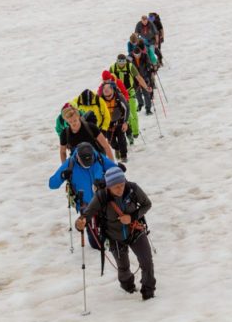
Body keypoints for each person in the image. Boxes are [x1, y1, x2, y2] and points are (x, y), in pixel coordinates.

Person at [75, 165, 155, 299]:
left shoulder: (132, 189)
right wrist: (80, 223)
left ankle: (148, 293)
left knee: (147, 262)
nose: (120, 189)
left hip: (135, 231)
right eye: (116, 187)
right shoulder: (101, 196)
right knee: (123, 268)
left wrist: (132, 217)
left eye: (122, 185)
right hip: (114, 237)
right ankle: (128, 288)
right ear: (108, 186)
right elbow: (86, 216)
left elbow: (147, 204)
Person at [49, 140, 113, 208]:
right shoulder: (70, 164)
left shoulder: (99, 158)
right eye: (84, 162)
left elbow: (115, 170)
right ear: (78, 156)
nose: (87, 165)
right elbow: (52, 184)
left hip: (103, 203)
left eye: (90, 162)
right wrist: (62, 176)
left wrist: (120, 168)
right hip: (85, 208)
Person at [106, 53, 151, 139]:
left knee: (132, 112)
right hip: (118, 94)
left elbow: (139, 78)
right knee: (124, 114)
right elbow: (108, 82)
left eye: (123, 61)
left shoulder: (130, 66)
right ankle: (128, 131)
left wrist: (146, 87)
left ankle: (135, 132)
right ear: (117, 61)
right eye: (119, 61)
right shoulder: (112, 68)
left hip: (130, 92)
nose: (121, 63)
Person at [98, 74, 130, 161]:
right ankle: (116, 149)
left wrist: (125, 122)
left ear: (112, 89)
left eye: (108, 88)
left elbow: (127, 108)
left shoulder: (119, 97)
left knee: (121, 139)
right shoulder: (100, 101)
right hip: (108, 124)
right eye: (104, 89)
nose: (106, 90)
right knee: (111, 142)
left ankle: (124, 156)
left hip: (119, 121)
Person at [131, 45, 155, 114]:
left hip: (144, 77)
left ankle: (148, 109)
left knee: (146, 93)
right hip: (135, 78)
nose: (137, 56)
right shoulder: (130, 57)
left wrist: (151, 68)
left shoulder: (145, 56)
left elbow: (149, 64)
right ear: (133, 53)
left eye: (139, 54)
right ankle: (140, 104)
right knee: (137, 92)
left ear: (141, 52)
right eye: (136, 54)